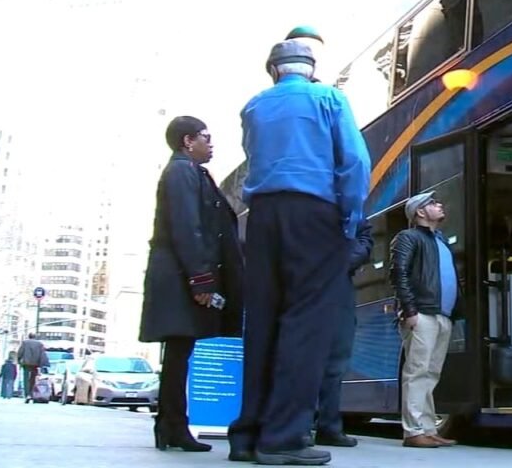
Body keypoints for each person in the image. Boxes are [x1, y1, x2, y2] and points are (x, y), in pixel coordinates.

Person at [227, 40, 370, 466]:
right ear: (310, 69)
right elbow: (356, 163)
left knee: (263, 323)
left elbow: (252, 158)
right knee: (306, 326)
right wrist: (350, 216)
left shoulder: (253, 107)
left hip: (264, 216)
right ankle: (284, 438)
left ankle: (246, 436)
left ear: (273, 70)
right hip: (315, 215)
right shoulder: (329, 98)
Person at [139, 115, 244, 453]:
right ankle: (173, 426)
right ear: (188, 141)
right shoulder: (182, 172)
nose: (210, 143)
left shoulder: (187, 171)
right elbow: (188, 227)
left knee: (179, 354)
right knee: (179, 353)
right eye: (205, 137)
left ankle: (170, 425)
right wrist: (201, 281)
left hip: (179, 276)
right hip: (180, 279)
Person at [389, 191, 461, 448]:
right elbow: (399, 273)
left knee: (431, 373)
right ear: (420, 212)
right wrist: (410, 311)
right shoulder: (408, 238)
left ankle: (428, 429)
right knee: (417, 372)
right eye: (432, 203)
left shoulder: (440, 241)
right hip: (422, 314)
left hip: (442, 315)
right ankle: (414, 431)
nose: (439, 205)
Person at [312, 219, 373, 447]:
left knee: (337, 360)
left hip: (339, 290)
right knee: (303, 358)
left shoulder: (352, 210)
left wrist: (337, 262)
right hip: (307, 285)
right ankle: (298, 425)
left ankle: (328, 426)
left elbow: (365, 239)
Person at [16, 333, 49, 402]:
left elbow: (20, 352)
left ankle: (27, 394)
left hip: (26, 363)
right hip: (35, 364)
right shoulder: (40, 344)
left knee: (26, 379)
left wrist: (18, 360)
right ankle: (31, 393)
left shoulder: (25, 342)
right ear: (35, 337)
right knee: (32, 379)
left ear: (29, 336)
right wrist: (41, 364)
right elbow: (42, 354)